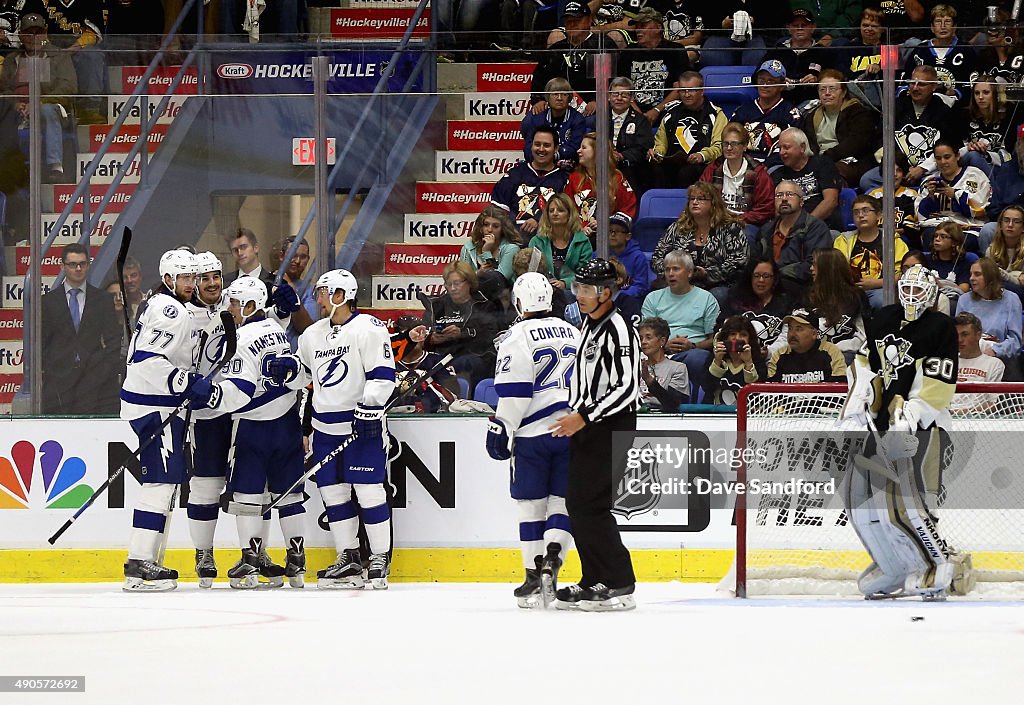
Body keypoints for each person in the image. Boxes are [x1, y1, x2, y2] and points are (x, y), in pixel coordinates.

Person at [837, 264, 966, 600]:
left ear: (932, 294)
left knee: (910, 503)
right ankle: (893, 564)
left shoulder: (939, 327)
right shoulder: (885, 317)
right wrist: (864, 392)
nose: (910, 297)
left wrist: (911, 411)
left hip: (922, 427)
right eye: (906, 289)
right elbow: (866, 361)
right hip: (878, 426)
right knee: (859, 500)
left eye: (918, 291)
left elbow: (939, 383)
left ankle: (935, 565)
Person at [283, 269, 397, 589]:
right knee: (333, 494)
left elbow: (384, 376)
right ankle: (347, 558)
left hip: (363, 427)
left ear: (340, 295)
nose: (317, 299)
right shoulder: (312, 335)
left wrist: (370, 406)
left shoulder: (368, 328)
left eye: (322, 292)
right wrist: (285, 369)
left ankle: (377, 557)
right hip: (324, 428)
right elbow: (303, 379)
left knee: (368, 490)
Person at [550, 258, 639, 612]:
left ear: (605, 292)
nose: (579, 296)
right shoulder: (588, 325)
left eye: (586, 289)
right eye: (577, 288)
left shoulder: (619, 327)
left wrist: (584, 416)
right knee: (578, 503)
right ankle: (593, 578)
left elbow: (628, 387)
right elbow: (584, 381)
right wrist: (574, 411)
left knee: (594, 505)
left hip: (611, 425)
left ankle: (619, 581)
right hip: (589, 423)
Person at [486, 273, 579, 608]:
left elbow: (515, 391)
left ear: (519, 302)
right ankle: (554, 556)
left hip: (532, 435)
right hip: (571, 429)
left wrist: (501, 426)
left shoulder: (517, 336)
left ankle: (531, 574)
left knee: (530, 505)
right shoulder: (574, 331)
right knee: (561, 502)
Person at [120, 251, 212, 591]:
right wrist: (186, 383)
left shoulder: (161, 303)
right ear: (169, 279)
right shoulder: (170, 310)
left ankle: (148, 560)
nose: (191, 284)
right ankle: (139, 563)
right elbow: (147, 361)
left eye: (194, 278)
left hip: (152, 404)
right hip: (154, 407)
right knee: (159, 483)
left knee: (167, 483)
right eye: (184, 278)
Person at [212, 277, 307, 590]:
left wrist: (208, 394)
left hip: (254, 427)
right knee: (289, 494)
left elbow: (240, 393)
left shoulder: (239, 339)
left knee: (249, 497)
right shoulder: (275, 329)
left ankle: (251, 563)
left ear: (249, 305)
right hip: (287, 423)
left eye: (235, 303)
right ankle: (296, 563)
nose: (230, 309)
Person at [40, 243, 121, 414]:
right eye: (72, 264)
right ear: (62, 266)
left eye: (82, 264)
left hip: (94, 380)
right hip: (58, 382)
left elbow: (113, 340)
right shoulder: (48, 302)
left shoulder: (103, 300)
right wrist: (52, 367)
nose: (78, 268)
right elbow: (42, 342)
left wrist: (104, 370)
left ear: (88, 266)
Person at [0, 13, 76, 182]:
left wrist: (38, 103)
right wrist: (15, 104)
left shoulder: (58, 56)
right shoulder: (13, 59)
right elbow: (4, 89)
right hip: (18, 110)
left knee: (47, 110)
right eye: (28, 33)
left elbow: (68, 88)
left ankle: (55, 166)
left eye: (38, 32)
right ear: (20, 35)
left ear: (45, 33)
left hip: (50, 107)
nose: (33, 37)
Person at [859, 65, 954, 192]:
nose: (915, 88)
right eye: (912, 83)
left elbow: (949, 146)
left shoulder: (944, 111)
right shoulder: (895, 106)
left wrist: (923, 168)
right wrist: (895, 166)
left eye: (921, 84)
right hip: (896, 168)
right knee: (867, 180)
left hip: (930, 170)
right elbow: (880, 138)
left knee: (933, 186)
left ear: (934, 86)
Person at [650, 181, 749, 301]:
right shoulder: (678, 228)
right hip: (680, 283)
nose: (695, 202)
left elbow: (739, 261)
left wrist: (707, 273)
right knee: (658, 289)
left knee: (717, 295)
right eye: (692, 199)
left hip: (718, 284)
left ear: (713, 203)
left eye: (701, 199)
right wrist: (675, 271)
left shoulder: (730, 228)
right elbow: (656, 258)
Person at [641, 250, 720, 397]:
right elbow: (645, 335)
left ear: (689, 273)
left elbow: (714, 339)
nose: (670, 273)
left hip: (693, 352)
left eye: (676, 269)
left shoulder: (707, 299)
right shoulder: (652, 299)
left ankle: (697, 404)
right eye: (667, 269)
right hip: (659, 352)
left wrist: (693, 346)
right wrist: (663, 345)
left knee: (699, 358)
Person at [424, 261, 504, 388]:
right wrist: (431, 339)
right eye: (448, 284)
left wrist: (462, 333)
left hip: (473, 356)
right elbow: (424, 334)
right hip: (442, 356)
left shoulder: (484, 304)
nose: (453, 288)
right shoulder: (436, 306)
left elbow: (491, 336)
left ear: (469, 282)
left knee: (468, 363)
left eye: (457, 283)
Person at [699, 121, 776, 246]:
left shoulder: (758, 173)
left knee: (743, 237)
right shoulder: (713, 169)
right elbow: (701, 196)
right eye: (726, 144)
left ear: (745, 146)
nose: (729, 148)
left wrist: (738, 219)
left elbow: (765, 209)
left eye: (734, 144)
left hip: (747, 223)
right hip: (716, 220)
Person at [801, 69, 880, 188]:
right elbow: (809, 144)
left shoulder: (858, 113)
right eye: (822, 89)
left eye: (832, 89)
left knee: (831, 173)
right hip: (819, 160)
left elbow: (855, 144)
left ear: (843, 93)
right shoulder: (811, 116)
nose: (827, 93)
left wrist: (825, 158)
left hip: (851, 162)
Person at [648, 70, 726, 188]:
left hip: (701, 165)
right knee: (654, 169)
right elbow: (661, 142)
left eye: (692, 90)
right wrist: (657, 153)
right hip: (672, 163)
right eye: (683, 90)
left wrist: (702, 155)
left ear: (701, 91)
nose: (687, 94)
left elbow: (720, 146)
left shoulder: (716, 114)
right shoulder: (670, 113)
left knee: (687, 172)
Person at [753, 180, 834, 293]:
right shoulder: (766, 230)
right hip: (769, 283)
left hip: (802, 285)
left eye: (790, 194)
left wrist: (777, 274)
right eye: (779, 195)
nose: (784, 199)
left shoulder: (816, 227)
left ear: (801, 201)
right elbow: (756, 261)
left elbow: (816, 264)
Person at [529, 2, 606, 118]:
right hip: (558, 107)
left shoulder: (602, 46)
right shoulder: (556, 49)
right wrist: (539, 100)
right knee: (530, 121)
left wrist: (598, 101)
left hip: (591, 107)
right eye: (568, 21)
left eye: (577, 20)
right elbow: (539, 79)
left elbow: (610, 82)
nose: (572, 24)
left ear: (589, 21)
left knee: (592, 121)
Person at [491, 125, 569, 235]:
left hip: (548, 240)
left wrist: (540, 220)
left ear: (556, 148)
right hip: (513, 239)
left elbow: (568, 216)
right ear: (531, 146)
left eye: (546, 145)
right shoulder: (514, 174)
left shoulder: (564, 179)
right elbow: (496, 212)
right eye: (537, 144)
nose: (541, 149)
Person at [833, 195, 908, 309]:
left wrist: (877, 283)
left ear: (878, 215)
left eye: (866, 211)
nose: (861, 215)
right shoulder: (843, 240)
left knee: (881, 299)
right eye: (856, 212)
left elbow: (903, 273)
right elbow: (835, 271)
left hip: (881, 289)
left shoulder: (893, 241)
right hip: (850, 291)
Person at [956, 257, 1023, 378]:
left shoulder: (1012, 300)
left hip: (999, 354)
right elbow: (957, 333)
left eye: (977, 274)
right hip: (969, 353)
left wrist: (995, 351)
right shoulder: (964, 300)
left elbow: (1015, 341)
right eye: (971, 274)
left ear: (990, 277)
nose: (971, 278)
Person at [618, 8, 691, 122]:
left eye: (643, 26)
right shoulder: (628, 52)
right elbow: (623, 88)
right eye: (637, 26)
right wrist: (637, 113)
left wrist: (656, 110)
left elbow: (679, 88)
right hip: (632, 110)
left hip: (667, 110)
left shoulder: (675, 50)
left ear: (658, 28)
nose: (638, 30)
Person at [917, 139, 992, 240]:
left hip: (968, 229)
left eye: (947, 157)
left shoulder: (976, 175)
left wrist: (955, 194)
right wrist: (930, 198)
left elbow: (983, 209)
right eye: (938, 158)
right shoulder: (929, 182)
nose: (943, 162)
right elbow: (920, 217)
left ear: (957, 156)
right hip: (939, 230)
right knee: (929, 236)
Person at [901, 5, 977, 104]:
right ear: (932, 27)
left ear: (954, 27)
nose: (942, 26)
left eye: (947, 22)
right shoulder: (920, 51)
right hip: (923, 106)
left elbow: (973, 83)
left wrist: (956, 93)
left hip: (954, 108)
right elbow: (904, 81)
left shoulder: (966, 50)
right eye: (938, 22)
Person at [566, 131, 637, 238]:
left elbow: (628, 210)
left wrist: (607, 224)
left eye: (584, 148)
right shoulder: (574, 178)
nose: (578, 151)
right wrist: (579, 228)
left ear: (597, 151)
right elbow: (566, 209)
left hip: (610, 237)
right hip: (579, 237)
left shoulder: (617, 178)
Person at [769, 127, 842, 229]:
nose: (781, 152)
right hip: (789, 230)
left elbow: (831, 201)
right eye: (780, 148)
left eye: (786, 147)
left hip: (822, 227)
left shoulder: (823, 164)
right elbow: (777, 210)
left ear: (802, 147)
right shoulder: (777, 175)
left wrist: (805, 226)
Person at [717, 257, 793, 355]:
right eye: (756, 275)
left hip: (773, 359)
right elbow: (721, 330)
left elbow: (787, 336)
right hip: (735, 357)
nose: (761, 280)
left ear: (774, 279)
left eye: (766, 276)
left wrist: (769, 352)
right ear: (750, 277)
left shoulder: (786, 302)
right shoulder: (736, 299)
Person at [730, 60, 801, 164]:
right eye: (761, 80)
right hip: (743, 163)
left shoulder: (790, 113)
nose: (764, 85)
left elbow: (795, 148)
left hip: (777, 166)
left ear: (781, 85)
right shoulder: (743, 111)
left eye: (770, 81)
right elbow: (731, 139)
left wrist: (767, 165)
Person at [807, 248, 869, 363]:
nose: (811, 269)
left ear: (828, 268)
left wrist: (834, 349)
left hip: (844, 356)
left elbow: (863, 337)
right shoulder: (808, 296)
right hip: (811, 356)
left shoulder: (855, 297)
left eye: (815, 265)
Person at [762, 8, 831, 106]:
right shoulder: (777, 50)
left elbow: (835, 78)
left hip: (813, 104)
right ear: (788, 28)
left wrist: (818, 79)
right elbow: (757, 77)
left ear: (813, 27)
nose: (799, 28)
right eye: (795, 25)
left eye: (804, 25)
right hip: (779, 103)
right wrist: (777, 81)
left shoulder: (823, 52)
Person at [527, 193, 594, 291]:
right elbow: (531, 272)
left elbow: (585, 275)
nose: (555, 213)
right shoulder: (537, 241)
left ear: (569, 215)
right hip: (542, 289)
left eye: (560, 210)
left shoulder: (582, 241)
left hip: (572, 290)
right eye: (551, 210)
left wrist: (565, 283)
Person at [953, 77, 1018, 175]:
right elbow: (955, 152)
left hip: (997, 166)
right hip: (968, 166)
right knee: (974, 155)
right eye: (977, 93)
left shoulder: (1007, 118)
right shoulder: (964, 116)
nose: (980, 97)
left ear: (995, 95)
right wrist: (969, 148)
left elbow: (1008, 155)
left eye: (986, 92)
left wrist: (986, 155)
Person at [766, 308, 846, 383]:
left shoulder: (831, 351)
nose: (792, 334)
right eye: (790, 328)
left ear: (814, 334)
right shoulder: (779, 354)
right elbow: (768, 391)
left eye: (799, 329)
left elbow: (840, 387)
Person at [521, 77, 589, 164]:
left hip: (567, 167)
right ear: (548, 97)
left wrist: (549, 156)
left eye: (564, 94)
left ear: (569, 98)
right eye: (555, 94)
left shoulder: (577, 119)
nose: (559, 98)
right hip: (540, 165)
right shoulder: (537, 119)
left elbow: (575, 148)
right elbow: (528, 149)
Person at [607, 77, 654, 197]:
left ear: (632, 98)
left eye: (624, 95)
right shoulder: (600, 118)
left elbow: (643, 147)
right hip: (603, 164)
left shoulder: (641, 120)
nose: (619, 98)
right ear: (609, 97)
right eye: (615, 94)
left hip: (630, 167)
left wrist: (621, 156)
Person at [867, 153, 922, 250]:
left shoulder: (911, 195)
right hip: (877, 240)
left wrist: (895, 232)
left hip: (904, 240)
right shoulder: (873, 196)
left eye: (899, 170)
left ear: (904, 174)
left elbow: (914, 225)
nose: (894, 174)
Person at [709, 314, 767, 406]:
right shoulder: (715, 358)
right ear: (725, 337)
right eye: (732, 334)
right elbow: (708, 387)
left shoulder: (758, 362)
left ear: (750, 339)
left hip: (747, 414)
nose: (737, 338)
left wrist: (748, 363)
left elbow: (756, 392)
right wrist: (717, 361)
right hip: (717, 414)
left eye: (743, 335)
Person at [953, 311, 1005, 412]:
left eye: (965, 334)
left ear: (978, 335)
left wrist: (961, 412)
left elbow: (993, 404)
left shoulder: (994, 364)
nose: (959, 340)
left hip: (979, 420)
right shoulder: (948, 362)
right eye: (956, 335)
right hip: (945, 418)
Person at [637, 316, 689, 411]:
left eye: (648, 337)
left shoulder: (677, 368)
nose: (643, 342)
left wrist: (650, 381)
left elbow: (673, 404)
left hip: (663, 419)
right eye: (641, 338)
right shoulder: (634, 366)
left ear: (662, 341)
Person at [460, 206, 521, 284]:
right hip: (474, 294)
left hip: (502, 295)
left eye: (495, 226)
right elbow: (462, 280)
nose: (489, 230)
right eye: (486, 225)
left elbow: (499, 282)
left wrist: (486, 251)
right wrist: (477, 274)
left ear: (503, 229)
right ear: (480, 227)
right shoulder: (469, 248)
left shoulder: (511, 249)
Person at [841, 7, 884, 109]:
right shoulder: (849, 47)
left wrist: (879, 68)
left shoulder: (887, 49)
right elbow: (842, 72)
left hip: (879, 98)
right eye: (865, 25)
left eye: (874, 26)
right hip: (852, 97)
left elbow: (891, 76)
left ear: (882, 29)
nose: (868, 29)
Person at [986, 205, 1024, 300]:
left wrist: (1000, 273)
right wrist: (1016, 275)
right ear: (1000, 225)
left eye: (1016, 221)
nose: (1010, 225)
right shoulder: (991, 250)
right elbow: (988, 278)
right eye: (1006, 220)